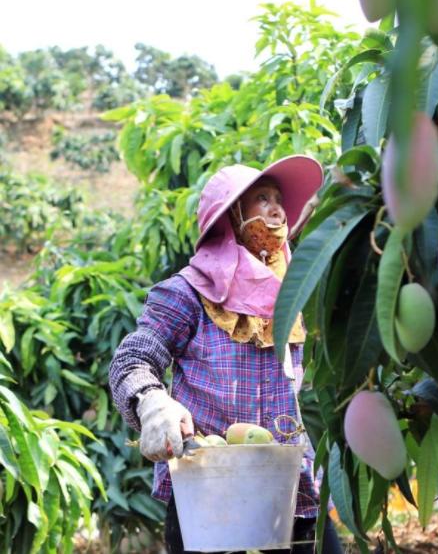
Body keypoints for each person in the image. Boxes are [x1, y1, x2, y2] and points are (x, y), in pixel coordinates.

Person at [108, 156, 342, 554]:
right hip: (211, 493)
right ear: (231, 216)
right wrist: (150, 401)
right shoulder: (189, 293)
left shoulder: (294, 291)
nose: (277, 210)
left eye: (279, 201)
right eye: (261, 199)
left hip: (289, 487)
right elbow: (133, 357)